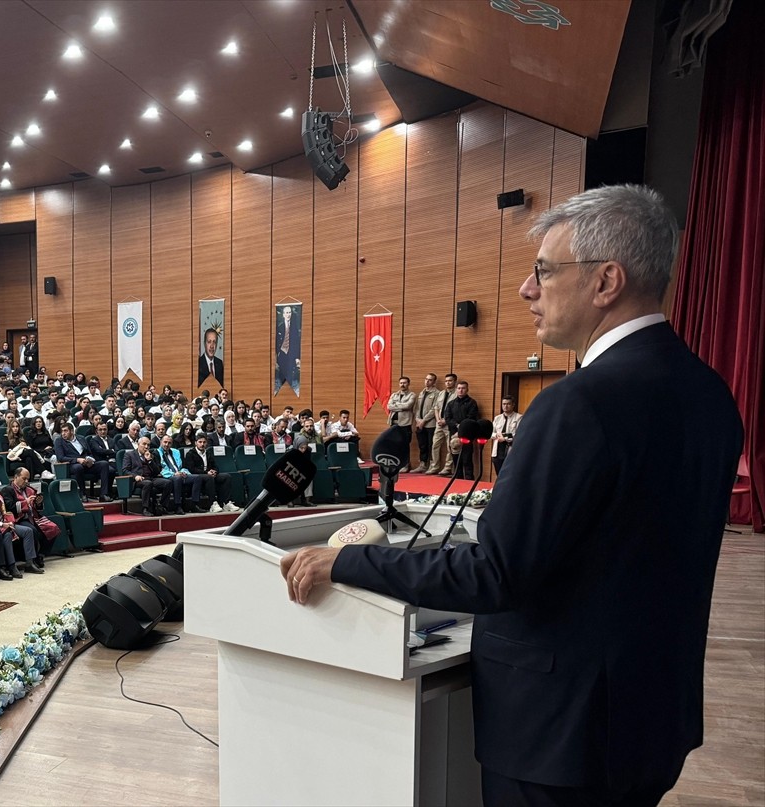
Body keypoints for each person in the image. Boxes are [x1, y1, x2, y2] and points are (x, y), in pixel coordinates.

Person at [281, 185, 744, 806]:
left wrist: (345, 560)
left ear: (606, 280)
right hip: (653, 716)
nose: (528, 290)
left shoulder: (578, 404)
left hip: (561, 734)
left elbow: (495, 573)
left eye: (544, 271)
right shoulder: (710, 394)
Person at [54, 422, 111, 502]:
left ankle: (103, 494)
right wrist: (77, 460)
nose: (63, 433)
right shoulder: (59, 441)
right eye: (62, 431)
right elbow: (61, 458)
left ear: (72, 431)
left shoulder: (81, 438)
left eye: (66, 431)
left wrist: (90, 459)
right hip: (71, 465)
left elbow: (89, 453)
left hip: (86, 464)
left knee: (104, 464)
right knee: (78, 467)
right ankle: (82, 493)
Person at [184, 434, 238, 513]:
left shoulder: (208, 452)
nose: (202, 444)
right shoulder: (190, 454)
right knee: (209, 478)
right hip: (198, 476)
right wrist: (206, 472)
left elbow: (215, 466)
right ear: (195, 443)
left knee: (226, 476)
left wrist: (214, 471)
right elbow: (191, 469)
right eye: (200, 442)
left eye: (204, 442)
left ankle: (226, 503)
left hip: (209, 474)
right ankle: (213, 503)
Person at [442, 380, 480, 479]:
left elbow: (472, 417)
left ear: (467, 390)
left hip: (467, 434)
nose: (461, 390)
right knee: (455, 459)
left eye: (463, 388)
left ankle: (469, 481)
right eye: (459, 388)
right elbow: (447, 418)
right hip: (453, 434)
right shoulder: (451, 403)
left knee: (467, 459)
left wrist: (462, 427)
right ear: (456, 390)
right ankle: (458, 480)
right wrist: (456, 425)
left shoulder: (472, 402)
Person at [157, 434, 201, 514]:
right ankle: (178, 506)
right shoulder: (156, 453)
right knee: (177, 479)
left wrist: (183, 472)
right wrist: (174, 474)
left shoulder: (175, 452)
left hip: (179, 473)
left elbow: (182, 466)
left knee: (197, 478)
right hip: (167, 476)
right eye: (165, 442)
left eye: (169, 443)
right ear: (161, 442)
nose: (167, 444)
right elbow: (160, 469)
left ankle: (194, 505)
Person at [427, 373, 457, 475]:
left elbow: (455, 411)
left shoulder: (457, 394)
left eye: (450, 381)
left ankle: (447, 467)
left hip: (449, 424)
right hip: (439, 424)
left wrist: (445, 420)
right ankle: (434, 466)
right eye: (446, 381)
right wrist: (438, 419)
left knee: (450, 446)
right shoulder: (441, 393)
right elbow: (436, 408)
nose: (448, 383)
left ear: (454, 382)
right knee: (435, 444)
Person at [386, 376, 415, 470]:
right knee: (394, 444)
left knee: (404, 445)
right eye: (401, 383)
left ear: (408, 384)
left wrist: (396, 405)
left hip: (405, 424)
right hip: (393, 423)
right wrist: (400, 406)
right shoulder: (394, 395)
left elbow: (408, 406)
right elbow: (389, 406)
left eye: (404, 383)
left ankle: (405, 464)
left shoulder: (412, 395)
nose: (402, 385)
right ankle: (396, 463)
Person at [413, 374, 440, 473]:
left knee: (431, 445)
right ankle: (422, 464)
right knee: (422, 445)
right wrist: (417, 419)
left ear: (434, 382)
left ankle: (432, 466)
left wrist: (424, 420)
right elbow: (416, 408)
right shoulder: (422, 393)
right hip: (419, 423)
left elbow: (434, 409)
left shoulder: (437, 393)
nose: (427, 382)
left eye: (430, 380)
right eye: (426, 379)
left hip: (430, 424)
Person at [491, 396, 522, 477]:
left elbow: (518, 434)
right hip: (497, 451)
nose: (505, 406)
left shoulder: (519, 417)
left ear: (513, 405)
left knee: (509, 475)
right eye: (504, 404)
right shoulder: (497, 418)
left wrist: (504, 437)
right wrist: (498, 436)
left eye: (508, 404)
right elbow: (491, 433)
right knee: (499, 475)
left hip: (510, 449)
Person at [274, 304, 301, 395]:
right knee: (281, 372)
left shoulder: (294, 327)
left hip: (291, 353)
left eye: (290, 312)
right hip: (281, 352)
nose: (288, 314)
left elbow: (296, 343)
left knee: (290, 372)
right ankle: (280, 390)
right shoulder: (279, 327)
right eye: (286, 313)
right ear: (283, 314)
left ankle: (288, 392)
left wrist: (297, 357)